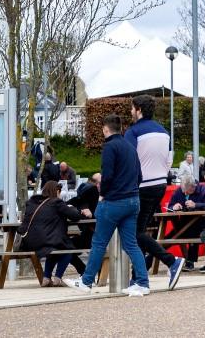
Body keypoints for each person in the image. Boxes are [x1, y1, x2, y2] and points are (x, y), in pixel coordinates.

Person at [63, 115, 150, 296]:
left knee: (99, 242)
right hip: (134, 200)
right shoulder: (130, 147)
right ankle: (142, 283)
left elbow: (107, 175)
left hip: (113, 202)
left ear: (105, 129)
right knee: (131, 244)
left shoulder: (110, 147)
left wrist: (102, 195)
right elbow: (140, 176)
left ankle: (86, 281)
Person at [123, 94, 185, 289]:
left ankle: (171, 261)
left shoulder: (132, 132)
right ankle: (138, 278)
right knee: (140, 232)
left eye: (133, 108)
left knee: (134, 234)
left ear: (139, 109)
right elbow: (169, 160)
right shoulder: (164, 132)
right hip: (160, 185)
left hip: (141, 186)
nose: (131, 112)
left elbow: (128, 161)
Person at [19, 181, 82, 286]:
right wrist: (71, 207)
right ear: (57, 191)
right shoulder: (56, 202)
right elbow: (75, 216)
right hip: (46, 240)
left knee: (54, 247)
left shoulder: (32, 202)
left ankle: (46, 278)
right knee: (68, 249)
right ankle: (57, 278)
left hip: (29, 242)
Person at [166, 173, 205, 271]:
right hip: (184, 226)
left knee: (195, 229)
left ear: (194, 186)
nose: (185, 193)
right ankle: (152, 256)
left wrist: (196, 205)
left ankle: (190, 261)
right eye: (183, 191)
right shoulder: (179, 191)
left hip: (203, 224)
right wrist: (174, 207)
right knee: (169, 238)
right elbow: (169, 207)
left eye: (187, 191)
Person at [68, 173, 101, 276]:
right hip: (89, 235)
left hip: (96, 237)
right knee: (64, 247)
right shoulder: (92, 193)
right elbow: (72, 203)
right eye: (100, 183)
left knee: (65, 247)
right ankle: (84, 272)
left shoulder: (103, 198)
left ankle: (86, 273)